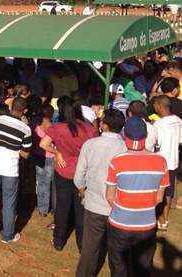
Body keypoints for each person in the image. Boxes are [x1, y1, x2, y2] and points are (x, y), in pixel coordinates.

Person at [105, 116, 169, 277]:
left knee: (119, 267)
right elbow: (159, 198)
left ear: (125, 135)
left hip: (120, 224)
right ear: (146, 136)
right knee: (143, 267)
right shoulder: (161, 161)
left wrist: (124, 209)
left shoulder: (117, 161)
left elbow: (109, 195)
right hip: (146, 225)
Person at [40, 96, 97, 251]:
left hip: (63, 171)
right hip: (83, 174)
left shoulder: (57, 128)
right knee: (81, 210)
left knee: (62, 207)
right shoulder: (89, 129)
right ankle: (82, 245)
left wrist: (57, 151)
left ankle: (58, 241)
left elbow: (43, 143)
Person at [74, 109, 127, 277]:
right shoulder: (125, 148)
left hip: (93, 204)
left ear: (104, 125)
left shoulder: (90, 144)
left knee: (89, 249)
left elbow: (78, 176)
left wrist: (83, 192)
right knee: (118, 251)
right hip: (117, 206)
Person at [0, 97, 32, 243]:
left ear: (11, 106)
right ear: (25, 111)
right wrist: (15, 149)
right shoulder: (26, 129)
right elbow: (26, 154)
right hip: (10, 170)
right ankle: (8, 235)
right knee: (9, 203)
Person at [151, 95, 182, 231]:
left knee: (158, 192)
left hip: (160, 163)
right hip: (173, 162)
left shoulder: (158, 124)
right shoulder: (178, 121)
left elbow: (155, 144)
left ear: (159, 105)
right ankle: (165, 218)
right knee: (169, 192)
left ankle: (159, 219)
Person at [34, 104, 55, 217]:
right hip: (50, 157)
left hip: (38, 157)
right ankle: (48, 207)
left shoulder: (36, 127)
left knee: (41, 183)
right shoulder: (52, 127)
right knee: (49, 184)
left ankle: (42, 208)